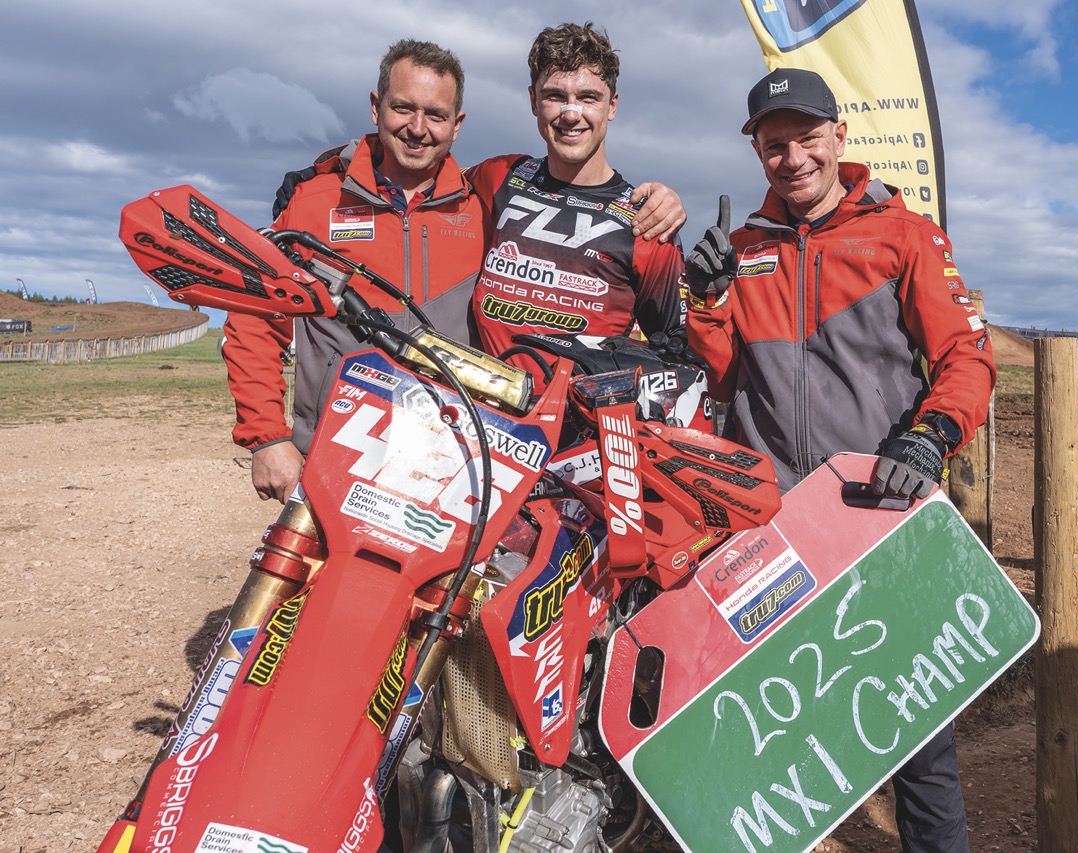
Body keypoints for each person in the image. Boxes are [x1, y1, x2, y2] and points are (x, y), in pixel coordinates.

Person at [683, 68, 995, 853]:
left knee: (918, 739)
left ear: (839, 138)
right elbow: (723, 380)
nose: (793, 158)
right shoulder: (743, 248)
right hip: (774, 528)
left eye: (807, 138)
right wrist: (708, 303)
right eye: (774, 144)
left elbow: (967, 356)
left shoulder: (902, 233)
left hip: (880, 517)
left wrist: (929, 438)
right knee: (772, 741)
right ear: (757, 150)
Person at [224, 37, 683, 504]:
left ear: (457, 125)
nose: (418, 128)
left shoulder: (484, 199)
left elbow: (677, 356)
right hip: (333, 452)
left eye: (437, 115)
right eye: (403, 108)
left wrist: (664, 201)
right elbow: (252, 319)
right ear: (376, 107)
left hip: (461, 464)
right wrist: (266, 436)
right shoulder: (323, 200)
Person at [465, 22, 688, 377]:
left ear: (612, 106)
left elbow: (680, 347)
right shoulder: (499, 175)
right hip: (480, 415)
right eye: (555, 96)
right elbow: (422, 187)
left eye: (588, 98)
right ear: (533, 101)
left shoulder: (646, 221)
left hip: (581, 427)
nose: (571, 114)